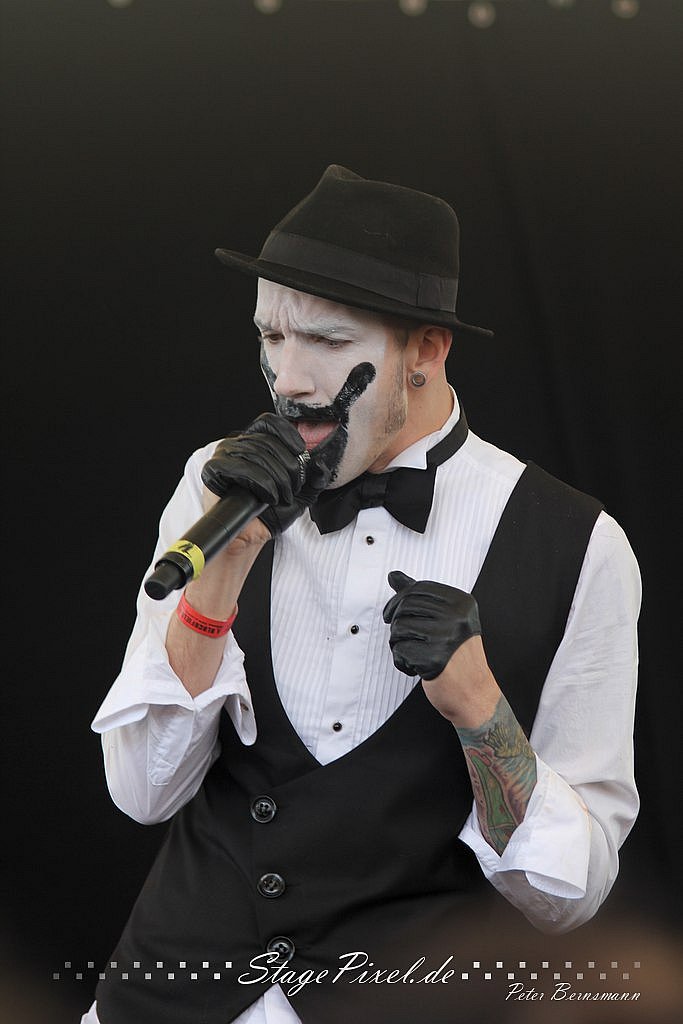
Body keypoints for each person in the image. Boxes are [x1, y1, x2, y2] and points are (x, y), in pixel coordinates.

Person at [82, 165, 641, 1024]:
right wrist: (224, 571)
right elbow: (142, 792)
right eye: (271, 336)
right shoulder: (213, 483)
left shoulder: (579, 545)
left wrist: (479, 709)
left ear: (426, 350)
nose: (288, 378)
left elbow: (566, 897)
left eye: (326, 340)